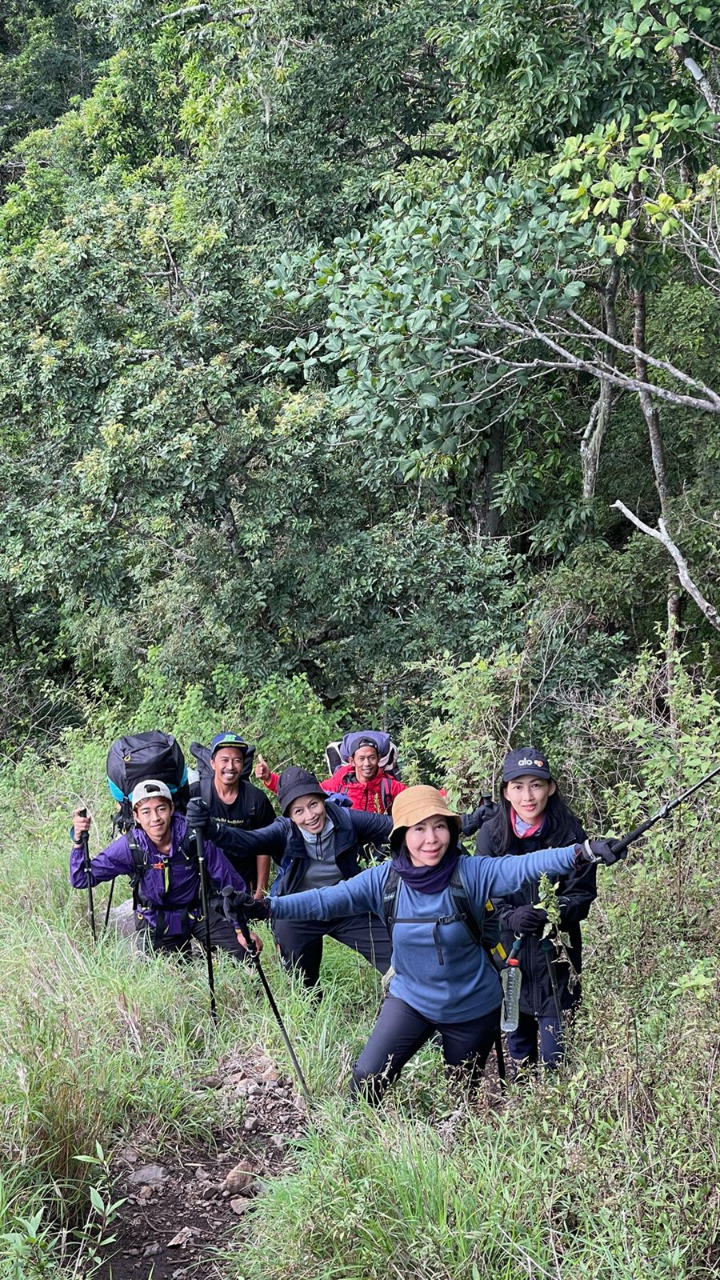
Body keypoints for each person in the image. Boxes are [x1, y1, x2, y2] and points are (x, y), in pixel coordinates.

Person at [214, 785, 622, 1102]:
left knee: (460, 1093)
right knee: (367, 1078)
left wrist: (583, 852)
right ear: (401, 836)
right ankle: (354, 1150)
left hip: (472, 1006)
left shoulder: (472, 873)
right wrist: (264, 908)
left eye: (439, 826)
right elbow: (325, 899)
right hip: (410, 999)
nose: (431, 839)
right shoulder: (384, 880)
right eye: (419, 829)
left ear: (452, 829)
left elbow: (524, 865)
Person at [186, 766, 396, 990]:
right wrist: (211, 828)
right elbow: (247, 841)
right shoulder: (283, 831)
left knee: (397, 958)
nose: (310, 816)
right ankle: (310, 1015)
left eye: (314, 804)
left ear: (323, 800)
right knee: (302, 983)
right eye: (299, 811)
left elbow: (394, 828)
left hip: (345, 904)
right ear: (289, 816)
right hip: (296, 910)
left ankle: (411, 1004)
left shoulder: (347, 820)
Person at [475, 746, 595, 1070]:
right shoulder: (492, 834)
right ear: (505, 792)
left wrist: (551, 913)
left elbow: (582, 893)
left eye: (536, 785)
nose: (528, 796)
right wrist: (509, 916)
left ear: (550, 787)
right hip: (508, 958)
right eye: (518, 786)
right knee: (519, 1047)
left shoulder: (569, 832)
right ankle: (521, 1105)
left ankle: (555, 1107)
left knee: (557, 1053)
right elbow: (479, 892)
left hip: (556, 957)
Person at [70, 780, 261, 958]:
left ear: (171, 809)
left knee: (244, 952)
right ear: (136, 817)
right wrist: (78, 841)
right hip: (155, 920)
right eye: (145, 812)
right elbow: (82, 878)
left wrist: (240, 928)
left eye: (161, 809)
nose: (155, 818)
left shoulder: (192, 836)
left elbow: (229, 880)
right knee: (174, 978)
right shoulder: (130, 847)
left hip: (197, 912)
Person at [190, 732, 276, 896]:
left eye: (237, 760)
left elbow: (265, 846)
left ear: (243, 764)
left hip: (244, 884)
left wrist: (260, 893)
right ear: (212, 763)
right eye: (224, 760)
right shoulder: (198, 795)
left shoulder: (255, 799)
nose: (230, 766)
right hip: (206, 884)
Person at [255, 731, 406, 814]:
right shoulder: (340, 782)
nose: (367, 763)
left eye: (372, 758)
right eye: (361, 759)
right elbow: (304, 793)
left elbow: (414, 797)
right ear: (352, 761)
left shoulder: (388, 785)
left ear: (379, 759)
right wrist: (269, 778)